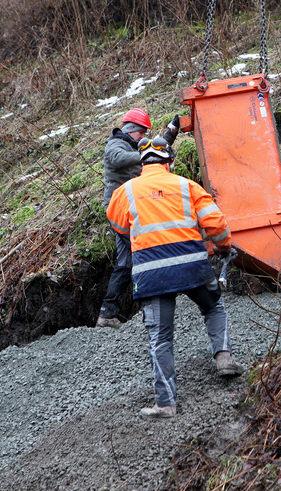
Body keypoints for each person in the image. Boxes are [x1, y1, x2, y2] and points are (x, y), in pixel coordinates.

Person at [105, 136, 244, 418]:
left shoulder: (125, 191)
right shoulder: (187, 185)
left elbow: (119, 226)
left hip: (151, 275)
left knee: (160, 337)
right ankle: (224, 357)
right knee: (213, 306)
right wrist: (223, 247)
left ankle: (166, 403)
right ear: (169, 162)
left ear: (142, 163)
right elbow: (216, 224)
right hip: (191, 265)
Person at [96, 109, 180, 328]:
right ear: (131, 130)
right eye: (142, 133)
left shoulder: (134, 145)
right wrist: (146, 154)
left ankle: (108, 312)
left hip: (130, 210)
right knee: (144, 254)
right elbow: (119, 158)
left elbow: (155, 147)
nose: (144, 138)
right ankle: (150, 306)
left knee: (126, 262)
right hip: (120, 211)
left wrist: (172, 131)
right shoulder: (116, 145)